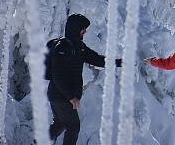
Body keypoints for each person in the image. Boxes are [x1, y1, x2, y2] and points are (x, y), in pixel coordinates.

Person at [47, 13, 122, 145]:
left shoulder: (79, 47)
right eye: (83, 29)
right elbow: (57, 75)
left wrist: (119, 62)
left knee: (60, 124)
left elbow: (98, 60)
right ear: (76, 28)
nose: (85, 32)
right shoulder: (62, 47)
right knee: (73, 127)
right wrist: (71, 97)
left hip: (62, 96)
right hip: (60, 96)